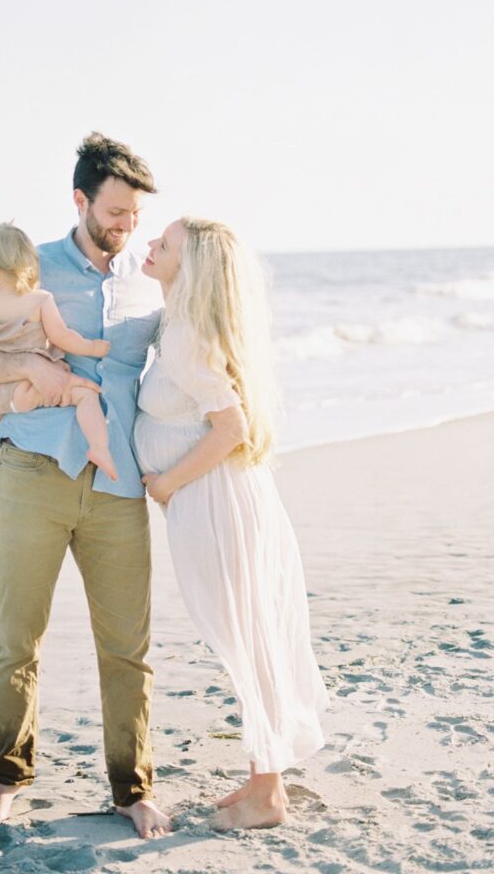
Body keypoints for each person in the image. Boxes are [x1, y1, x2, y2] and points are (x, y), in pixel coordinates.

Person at [0, 133, 171, 839]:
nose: (128, 225)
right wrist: (24, 372)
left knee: (128, 647)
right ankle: (8, 781)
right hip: (30, 474)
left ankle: (133, 788)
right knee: (18, 641)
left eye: (136, 214)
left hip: (116, 483)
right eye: (117, 211)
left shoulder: (150, 281)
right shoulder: (24, 268)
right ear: (80, 200)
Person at [134, 216, 330, 831]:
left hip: (217, 504)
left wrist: (165, 482)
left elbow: (232, 428)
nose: (150, 246)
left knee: (247, 639)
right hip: (218, 501)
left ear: (188, 267)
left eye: (162, 245)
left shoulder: (190, 334)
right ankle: (260, 777)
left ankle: (267, 794)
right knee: (250, 634)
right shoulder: (181, 326)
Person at [0, 222, 118, 484]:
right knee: (86, 395)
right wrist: (92, 347)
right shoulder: (40, 300)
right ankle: (99, 449)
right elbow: (62, 336)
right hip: (31, 389)